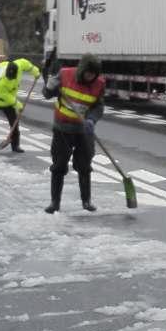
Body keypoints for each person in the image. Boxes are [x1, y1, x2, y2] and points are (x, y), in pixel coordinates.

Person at [40, 53, 106, 213]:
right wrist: (49, 86)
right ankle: (55, 203)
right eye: (88, 73)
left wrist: (91, 119)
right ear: (82, 69)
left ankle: (86, 201)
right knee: (59, 166)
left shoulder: (99, 84)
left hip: (84, 131)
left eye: (93, 74)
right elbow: (47, 94)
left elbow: (98, 107)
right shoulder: (65, 75)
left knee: (84, 166)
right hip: (63, 128)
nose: (90, 77)